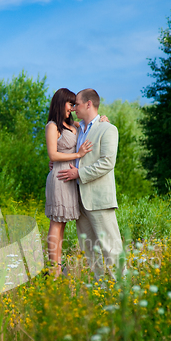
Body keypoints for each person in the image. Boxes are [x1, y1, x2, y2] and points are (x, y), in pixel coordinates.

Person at [57, 88, 123, 281]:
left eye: (77, 104)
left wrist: (79, 173)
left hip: (99, 199)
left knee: (111, 248)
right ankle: (101, 292)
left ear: (88, 104)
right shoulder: (78, 131)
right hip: (79, 200)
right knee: (90, 251)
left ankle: (123, 292)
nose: (74, 108)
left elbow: (107, 163)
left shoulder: (108, 129)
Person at [45, 88, 108, 277]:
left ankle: (57, 265)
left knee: (63, 223)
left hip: (70, 177)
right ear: (60, 102)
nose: (72, 108)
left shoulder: (74, 125)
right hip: (59, 177)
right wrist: (77, 155)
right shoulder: (52, 126)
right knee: (56, 222)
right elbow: (53, 154)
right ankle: (53, 267)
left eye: (74, 104)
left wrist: (103, 121)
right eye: (70, 104)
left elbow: (91, 126)